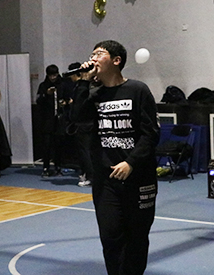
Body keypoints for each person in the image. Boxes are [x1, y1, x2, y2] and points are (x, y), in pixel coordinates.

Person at [71, 40, 160, 275]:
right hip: (106, 181)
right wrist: (83, 82)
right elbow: (77, 118)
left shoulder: (138, 90)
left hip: (138, 179)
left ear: (116, 60)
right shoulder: (94, 94)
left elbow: (151, 134)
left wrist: (131, 162)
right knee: (110, 237)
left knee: (137, 237)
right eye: (92, 54)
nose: (93, 58)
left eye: (99, 54)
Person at [63, 62, 93, 187]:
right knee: (86, 151)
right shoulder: (82, 86)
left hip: (84, 125)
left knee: (85, 152)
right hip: (85, 124)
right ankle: (87, 174)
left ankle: (90, 176)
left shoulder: (83, 86)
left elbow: (81, 106)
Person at [36, 64, 67, 177]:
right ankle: (46, 167)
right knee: (46, 145)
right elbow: (38, 100)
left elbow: (68, 98)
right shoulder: (43, 85)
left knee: (59, 144)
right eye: (51, 75)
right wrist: (46, 94)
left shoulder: (62, 84)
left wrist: (64, 103)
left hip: (59, 118)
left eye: (55, 75)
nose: (53, 78)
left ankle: (58, 166)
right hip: (47, 120)